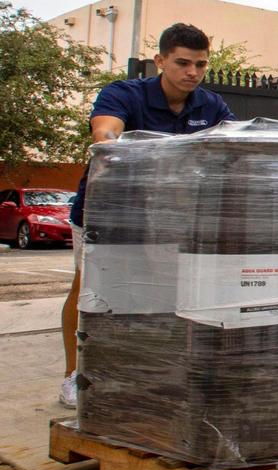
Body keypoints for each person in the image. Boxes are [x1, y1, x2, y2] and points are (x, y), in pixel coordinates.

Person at [59, 23, 236, 408]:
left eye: (201, 65)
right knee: (90, 289)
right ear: (160, 61)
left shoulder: (211, 106)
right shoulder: (124, 94)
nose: (192, 73)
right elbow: (105, 133)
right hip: (107, 212)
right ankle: (76, 375)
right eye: (183, 63)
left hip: (172, 217)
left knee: (161, 293)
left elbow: (232, 146)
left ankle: (151, 368)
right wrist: (126, 149)